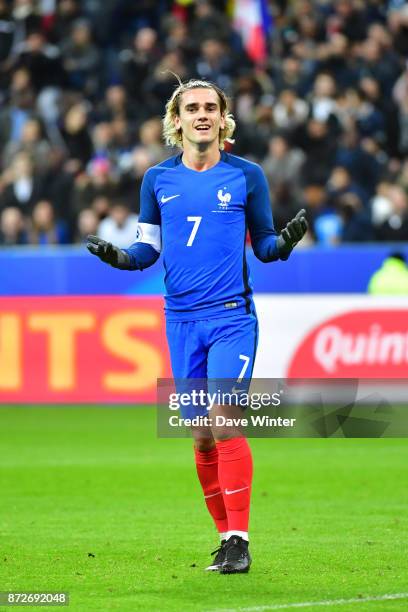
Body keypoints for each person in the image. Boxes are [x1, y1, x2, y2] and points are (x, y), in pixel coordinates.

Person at [87, 79, 308, 574]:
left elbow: (266, 247)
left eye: (211, 107)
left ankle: (239, 539)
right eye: (193, 108)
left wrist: (286, 243)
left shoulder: (247, 176)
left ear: (224, 119)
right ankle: (224, 540)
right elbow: (148, 248)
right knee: (202, 436)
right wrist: (122, 258)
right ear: (177, 120)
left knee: (225, 419)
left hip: (231, 318)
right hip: (180, 322)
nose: (203, 114)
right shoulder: (156, 180)